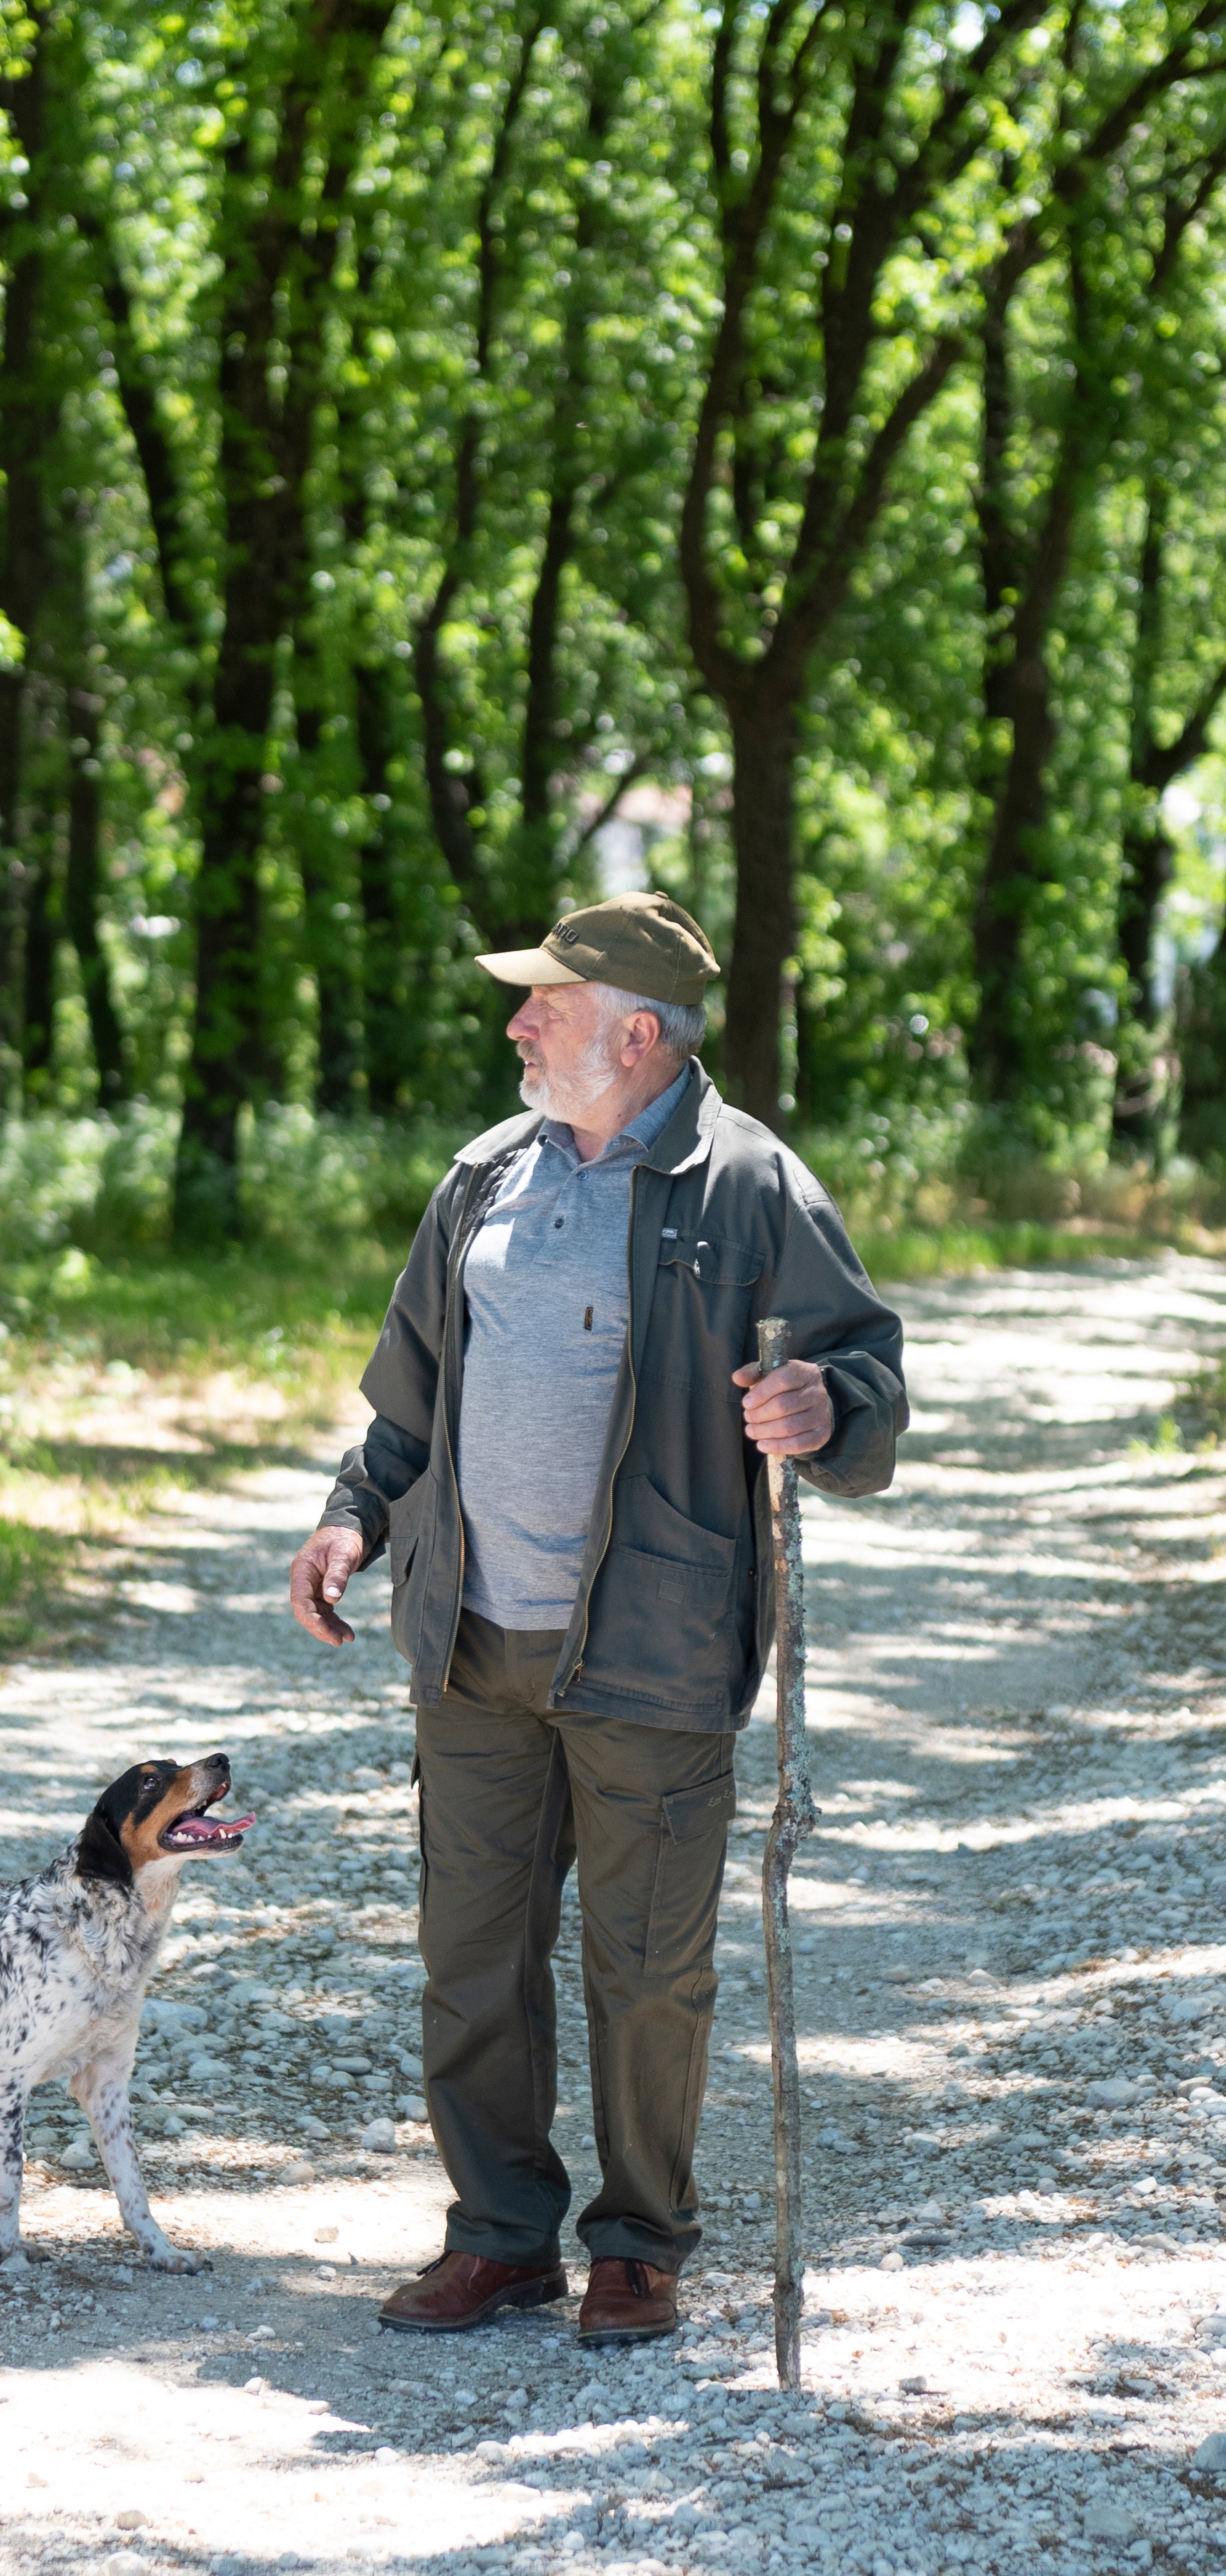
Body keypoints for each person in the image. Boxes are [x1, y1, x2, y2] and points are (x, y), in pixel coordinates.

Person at [287, 891, 907, 2344]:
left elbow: (865, 1365)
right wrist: (352, 1515)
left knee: (649, 1968)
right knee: (474, 1955)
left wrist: (828, 1406)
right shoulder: (484, 1177)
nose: (516, 1025)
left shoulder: (749, 1184)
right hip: (472, 1638)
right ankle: (501, 2234)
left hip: (655, 1642)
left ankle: (640, 2240)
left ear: (637, 1035)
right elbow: (410, 1395)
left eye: (544, 1008)